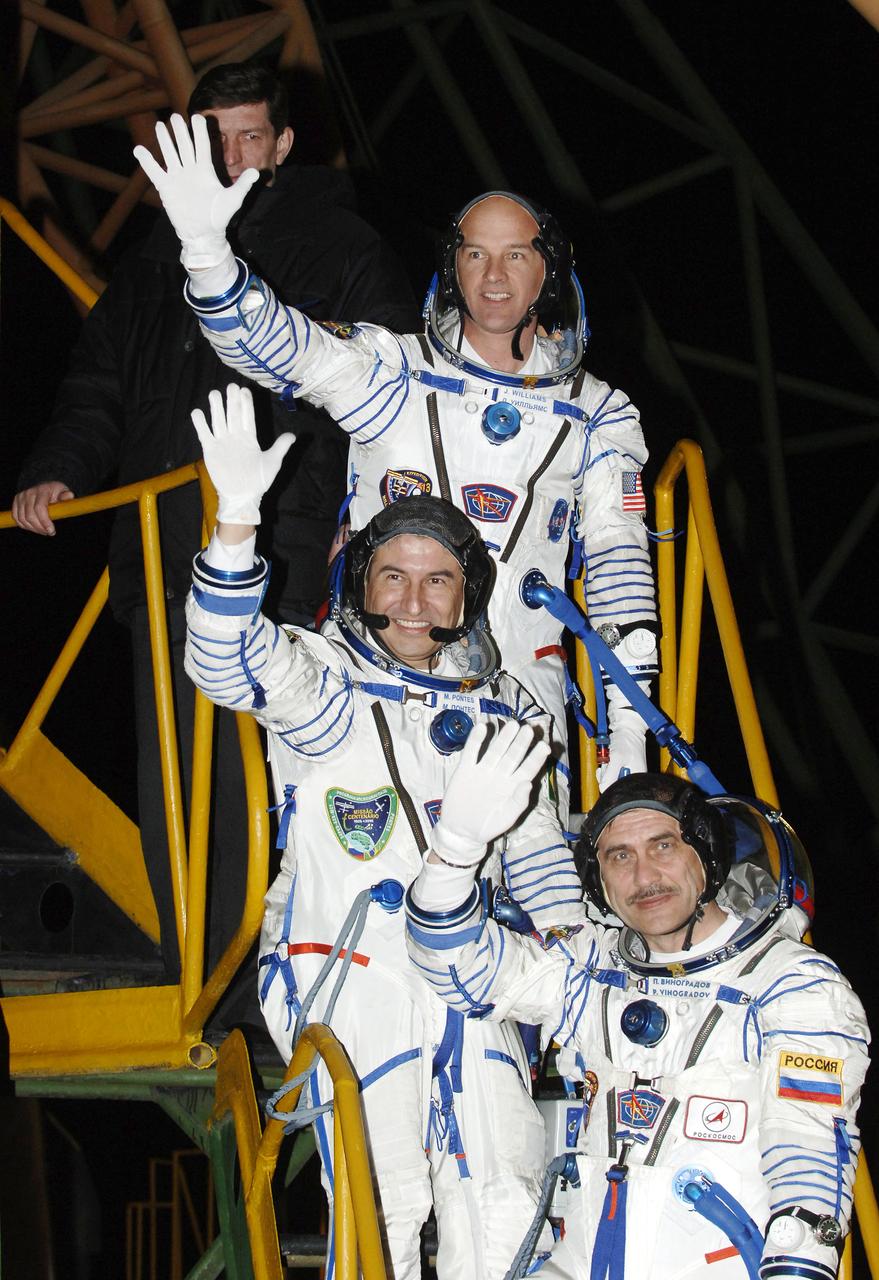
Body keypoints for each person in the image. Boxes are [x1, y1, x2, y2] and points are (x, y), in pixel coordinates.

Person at [13, 63, 417, 980]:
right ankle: (190, 957)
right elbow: (98, 388)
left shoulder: (344, 248)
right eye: (214, 136)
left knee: (269, 775)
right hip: (161, 555)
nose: (231, 156)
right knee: (175, 777)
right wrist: (56, 472)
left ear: (281, 145)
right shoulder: (153, 259)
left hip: (287, 560)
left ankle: (280, 959)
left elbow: (394, 407)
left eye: (248, 136)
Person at [133, 114, 659, 813]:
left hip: (520, 710)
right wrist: (206, 253)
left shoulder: (597, 412)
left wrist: (628, 735)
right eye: (474, 255)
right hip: (364, 694)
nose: (493, 276)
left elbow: (622, 575)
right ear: (451, 266)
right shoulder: (395, 376)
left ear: (550, 269)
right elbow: (282, 345)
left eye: (515, 255)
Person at [185, 382, 583, 1279]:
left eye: (436, 579)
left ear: (465, 594)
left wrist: (570, 959)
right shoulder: (325, 681)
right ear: (357, 584)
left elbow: (539, 851)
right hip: (348, 962)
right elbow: (224, 659)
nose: (412, 601)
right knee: (387, 1195)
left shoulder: (504, 708)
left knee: (503, 1193)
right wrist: (236, 529)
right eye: (391, 576)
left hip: (468, 965)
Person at [406, 768, 870, 1279]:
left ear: (707, 856)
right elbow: (459, 966)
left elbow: (807, 1150)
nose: (644, 877)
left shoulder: (789, 982)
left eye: (663, 845)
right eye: (619, 856)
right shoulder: (594, 971)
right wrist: (453, 852)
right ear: (599, 880)